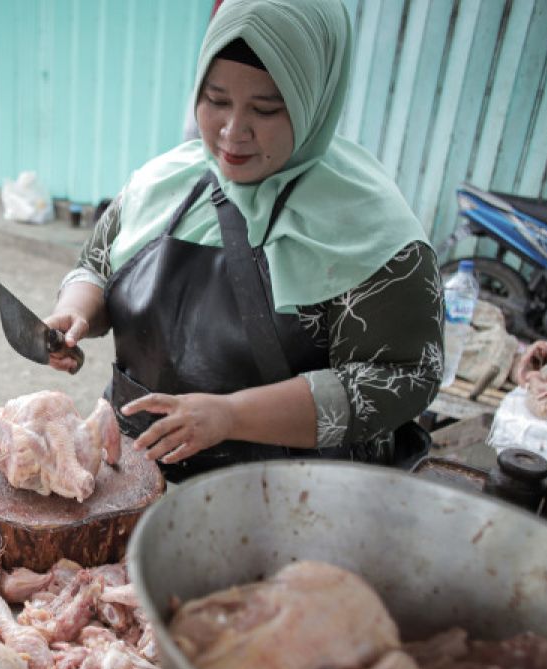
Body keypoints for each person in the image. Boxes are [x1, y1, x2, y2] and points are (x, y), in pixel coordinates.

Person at [45, 0, 442, 483]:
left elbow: (400, 378)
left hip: (285, 504)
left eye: (266, 108)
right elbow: (97, 267)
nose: (233, 132)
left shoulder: (374, 230)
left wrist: (232, 415)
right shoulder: (161, 183)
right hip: (136, 476)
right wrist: (76, 311)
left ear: (314, 98)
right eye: (216, 100)